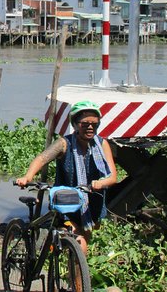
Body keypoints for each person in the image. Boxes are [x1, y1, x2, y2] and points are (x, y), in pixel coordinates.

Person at [16, 100, 117, 255]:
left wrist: (101, 183)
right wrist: (27, 177)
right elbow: (42, 158)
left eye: (94, 124)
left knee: (83, 244)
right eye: (84, 124)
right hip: (66, 205)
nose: (90, 127)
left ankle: (71, 272)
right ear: (75, 124)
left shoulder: (102, 145)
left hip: (91, 205)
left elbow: (112, 177)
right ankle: (77, 278)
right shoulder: (64, 144)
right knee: (79, 244)